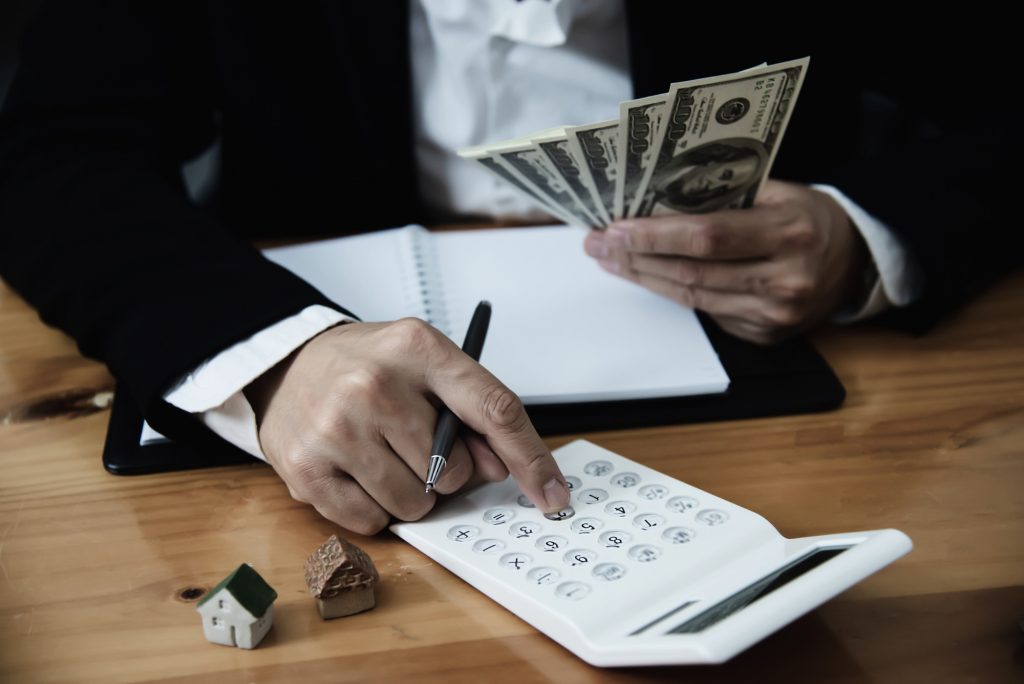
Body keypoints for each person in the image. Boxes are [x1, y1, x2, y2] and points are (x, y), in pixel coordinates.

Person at [0, 2, 1019, 534]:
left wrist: (867, 233)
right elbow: (48, 153)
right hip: (326, 436)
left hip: (793, 412)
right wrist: (266, 357)